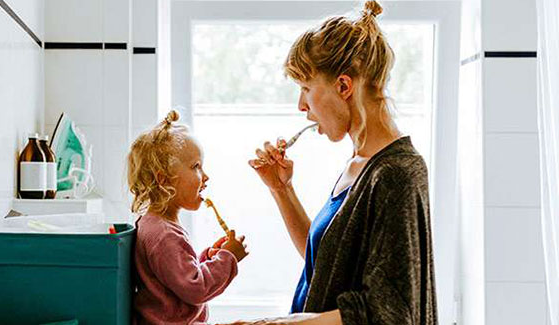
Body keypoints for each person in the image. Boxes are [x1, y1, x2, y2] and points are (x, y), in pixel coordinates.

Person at [236, 1, 437, 324]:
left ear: (343, 86)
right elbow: (327, 264)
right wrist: (281, 189)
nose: (302, 105)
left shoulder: (396, 174)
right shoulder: (359, 164)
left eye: (305, 88)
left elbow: (392, 313)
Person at [128, 110, 249, 325]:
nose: (206, 176)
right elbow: (195, 288)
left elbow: (175, 279)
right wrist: (228, 259)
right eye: (196, 167)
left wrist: (209, 257)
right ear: (164, 180)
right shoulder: (163, 234)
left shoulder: (157, 225)